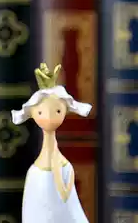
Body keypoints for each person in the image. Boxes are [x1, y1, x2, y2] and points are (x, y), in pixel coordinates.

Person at [11, 63, 91, 223]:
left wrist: (65, 187)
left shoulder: (65, 167)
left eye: (58, 111)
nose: (48, 117)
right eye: (41, 112)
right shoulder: (34, 174)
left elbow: (65, 196)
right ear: (32, 113)